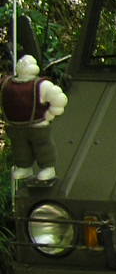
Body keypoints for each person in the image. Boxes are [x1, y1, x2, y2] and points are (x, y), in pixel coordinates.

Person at [2, 54, 69, 182]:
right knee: (19, 147)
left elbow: (59, 99)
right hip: (15, 126)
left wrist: (51, 113)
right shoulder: (6, 84)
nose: (22, 65)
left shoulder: (41, 85)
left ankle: (48, 168)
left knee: (43, 146)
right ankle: (24, 167)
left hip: (38, 124)